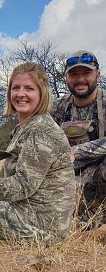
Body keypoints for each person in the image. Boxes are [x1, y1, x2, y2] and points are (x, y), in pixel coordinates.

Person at [0, 62, 76, 243]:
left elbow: (22, 186)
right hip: (27, 213)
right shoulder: (25, 127)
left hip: (41, 227)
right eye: (15, 88)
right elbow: (4, 177)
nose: (21, 94)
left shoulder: (40, 130)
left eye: (29, 88)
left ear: (42, 93)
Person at [51, 50, 106, 228]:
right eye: (74, 74)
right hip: (68, 180)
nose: (80, 79)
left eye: (86, 73)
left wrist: (75, 152)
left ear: (98, 74)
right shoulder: (57, 108)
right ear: (66, 78)